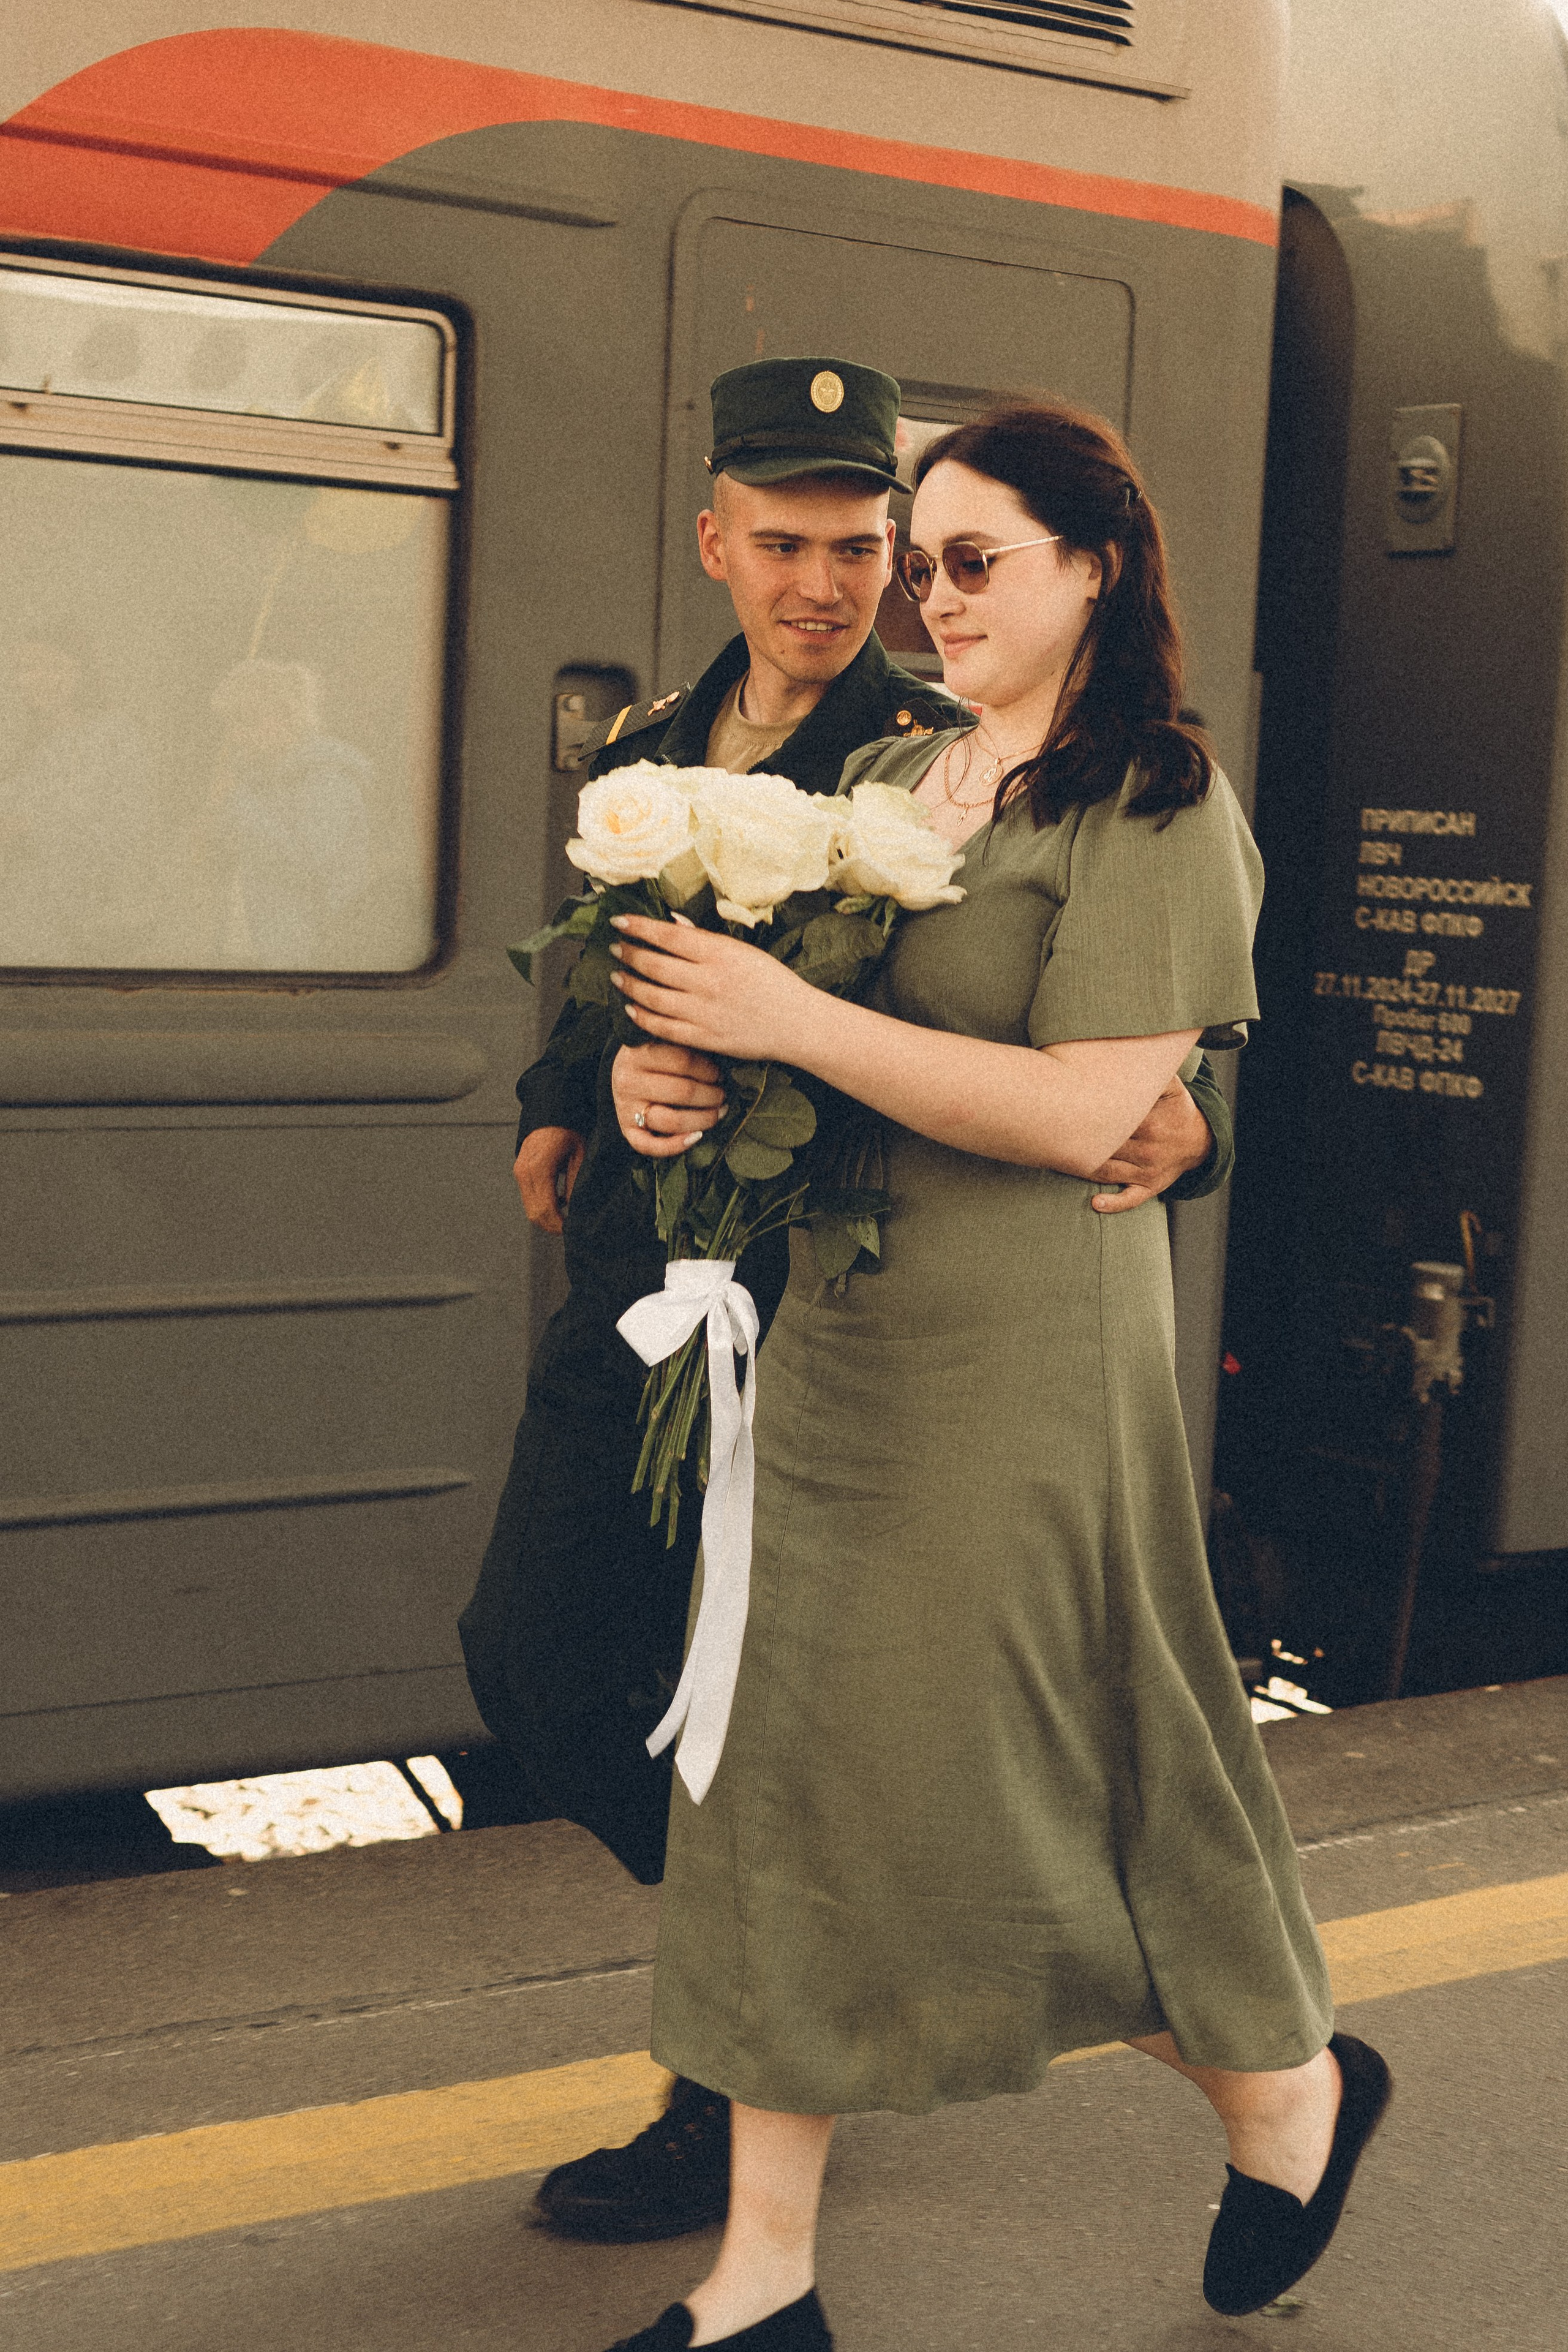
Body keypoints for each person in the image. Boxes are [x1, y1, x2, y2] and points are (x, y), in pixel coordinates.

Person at [601, 403, 1390, 2350]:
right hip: (842, 1346)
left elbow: (1087, 1112)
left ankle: (1282, 2091)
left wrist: (786, 1010)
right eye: (916, 559)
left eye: (974, 560)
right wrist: (673, 1086)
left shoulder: (1157, 804)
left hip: (1019, 1370)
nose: (925, 596)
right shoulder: (885, 776)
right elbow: (790, 1075)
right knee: (777, 1774)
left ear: (1096, 569)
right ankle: (760, 2286)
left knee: (1000, 1795)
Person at [458, 363, 1234, 2246]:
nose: (836, 584)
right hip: (650, 1300)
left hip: (836, 1314)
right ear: (719, 544)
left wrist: (1179, 1128)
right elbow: (633, 967)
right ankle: (809, 1980)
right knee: (545, 1664)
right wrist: (576, 1104)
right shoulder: (658, 737)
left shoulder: (946, 734)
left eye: (865, 548)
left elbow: (1076, 1016)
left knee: (771, 1739)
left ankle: (745, 2074)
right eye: (790, 544)